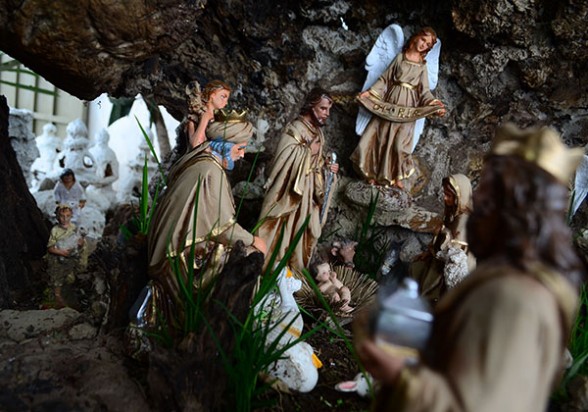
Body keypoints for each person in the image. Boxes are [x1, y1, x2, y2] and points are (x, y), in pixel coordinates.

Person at [355, 123, 585, 412]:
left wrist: (399, 374)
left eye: (486, 196)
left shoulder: (518, 299)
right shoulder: (506, 278)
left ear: (513, 212)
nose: (475, 206)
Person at [146, 113, 267, 332]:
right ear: (224, 145)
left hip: (168, 249)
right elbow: (223, 229)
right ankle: (228, 325)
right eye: (240, 148)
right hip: (177, 259)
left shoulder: (201, 160)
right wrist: (254, 241)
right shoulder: (212, 171)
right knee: (249, 256)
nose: (242, 155)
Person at [351, 27, 445, 189]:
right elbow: (385, 79)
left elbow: (424, 91)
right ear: (416, 37)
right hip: (390, 102)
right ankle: (372, 174)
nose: (423, 45)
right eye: (423, 40)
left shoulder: (422, 66)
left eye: (428, 44)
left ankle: (396, 176)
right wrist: (369, 93)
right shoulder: (400, 58)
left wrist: (433, 104)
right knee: (379, 137)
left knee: (400, 144)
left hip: (408, 107)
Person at [257, 87, 339, 271]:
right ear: (311, 106)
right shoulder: (295, 128)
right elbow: (282, 160)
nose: (327, 114)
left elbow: (317, 163)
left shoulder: (318, 133)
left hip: (309, 192)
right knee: (282, 228)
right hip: (290, 191)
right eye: (323, 108)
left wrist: (328, 168)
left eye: (328, 109)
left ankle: (293, 269)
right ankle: (270, 265)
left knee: (301, 230)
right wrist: (307, 152)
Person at [411, 174, 476, 305]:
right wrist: (429, 251)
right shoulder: (452, 211)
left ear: (459, 196)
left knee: (433, 284)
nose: (445, 198)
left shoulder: (463, 219)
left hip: (454, 261)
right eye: (445, 194)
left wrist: (443, 231)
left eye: (449, 195)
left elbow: (454, 249)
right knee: (416, 267)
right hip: (441, 255)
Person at [45, 204, 87, 308]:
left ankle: (71, 297)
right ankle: (57, 296)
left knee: (71, 278)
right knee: (58, 276)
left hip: (72, 257)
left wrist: (80, 245)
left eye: (67, 216)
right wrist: (61, 252)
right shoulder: (55, 230)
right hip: (59, 257)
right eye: (62, 216)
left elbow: (78, 244)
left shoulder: (74, 228)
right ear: (57, 217)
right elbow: (50, 247)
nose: (65, 219)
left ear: (71, 216)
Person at [177, 80, 232, 154]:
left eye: (227, 99)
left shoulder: (218, 120)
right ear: (212, 95)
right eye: (223, 96)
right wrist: (205, 119)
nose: (226, 102)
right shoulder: (193, 120)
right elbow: (196, 145)